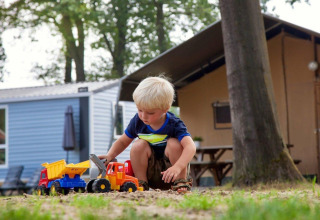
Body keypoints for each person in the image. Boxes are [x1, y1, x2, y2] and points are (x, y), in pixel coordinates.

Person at [98, 75, 196, 193]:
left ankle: (181, 181)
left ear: (165, 108)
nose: (143, 116)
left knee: (174, 143)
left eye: (150, 112)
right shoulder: (138, 122)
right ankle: (141, 183)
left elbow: (190, 147)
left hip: (172, 172)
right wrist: (110, 155)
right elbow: (123, 141)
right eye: (139, 110)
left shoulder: (174, 124)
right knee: (138, 144)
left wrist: (177, 167)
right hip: (149, 172)